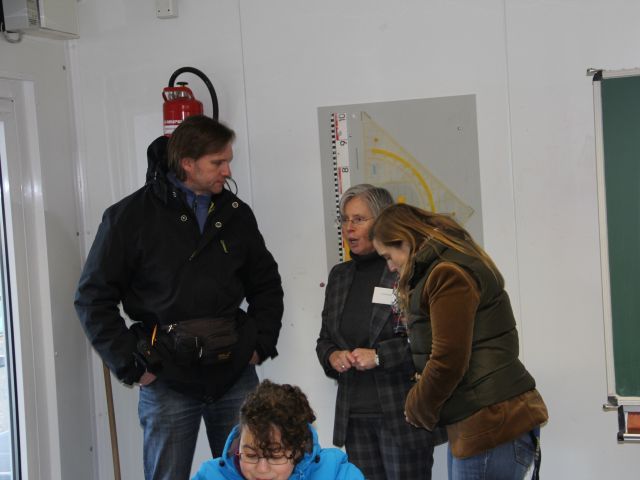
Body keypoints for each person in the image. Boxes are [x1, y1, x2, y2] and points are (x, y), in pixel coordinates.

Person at [75, 115, 284, 480]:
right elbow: (92, 298)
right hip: (166, 377)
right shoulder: (129, 218)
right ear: (188, 163)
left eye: (228, 160)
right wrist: (132, 364)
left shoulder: (236, 215)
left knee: (250, 473)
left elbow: (266, 284)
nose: (227, 171)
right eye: (217, 162)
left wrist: (260, 344)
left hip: (234, 373)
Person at [370, 203, 549, 480]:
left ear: (404, 241)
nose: (390, 266)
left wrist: (416, 407)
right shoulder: (446, 264)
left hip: (490, 423)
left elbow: (448, 360)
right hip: (482, 421)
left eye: (388, 256)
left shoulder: (446, 273)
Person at [316, 184, 437, 480]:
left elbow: (429, 342)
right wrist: (332, 356)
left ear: (383, 221)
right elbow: (324, 340)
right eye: (345, 219)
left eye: (359, 219)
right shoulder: (339, 276)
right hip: (355, 417)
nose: (349, 227)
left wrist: (379, 356)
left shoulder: (406, 270)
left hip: (402, 416)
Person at [192, 379, 364, 480]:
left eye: (275, 456)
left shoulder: (336, 473)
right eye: (250, 455)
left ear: (299, 449)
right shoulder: (211, 475)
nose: (261, 470)